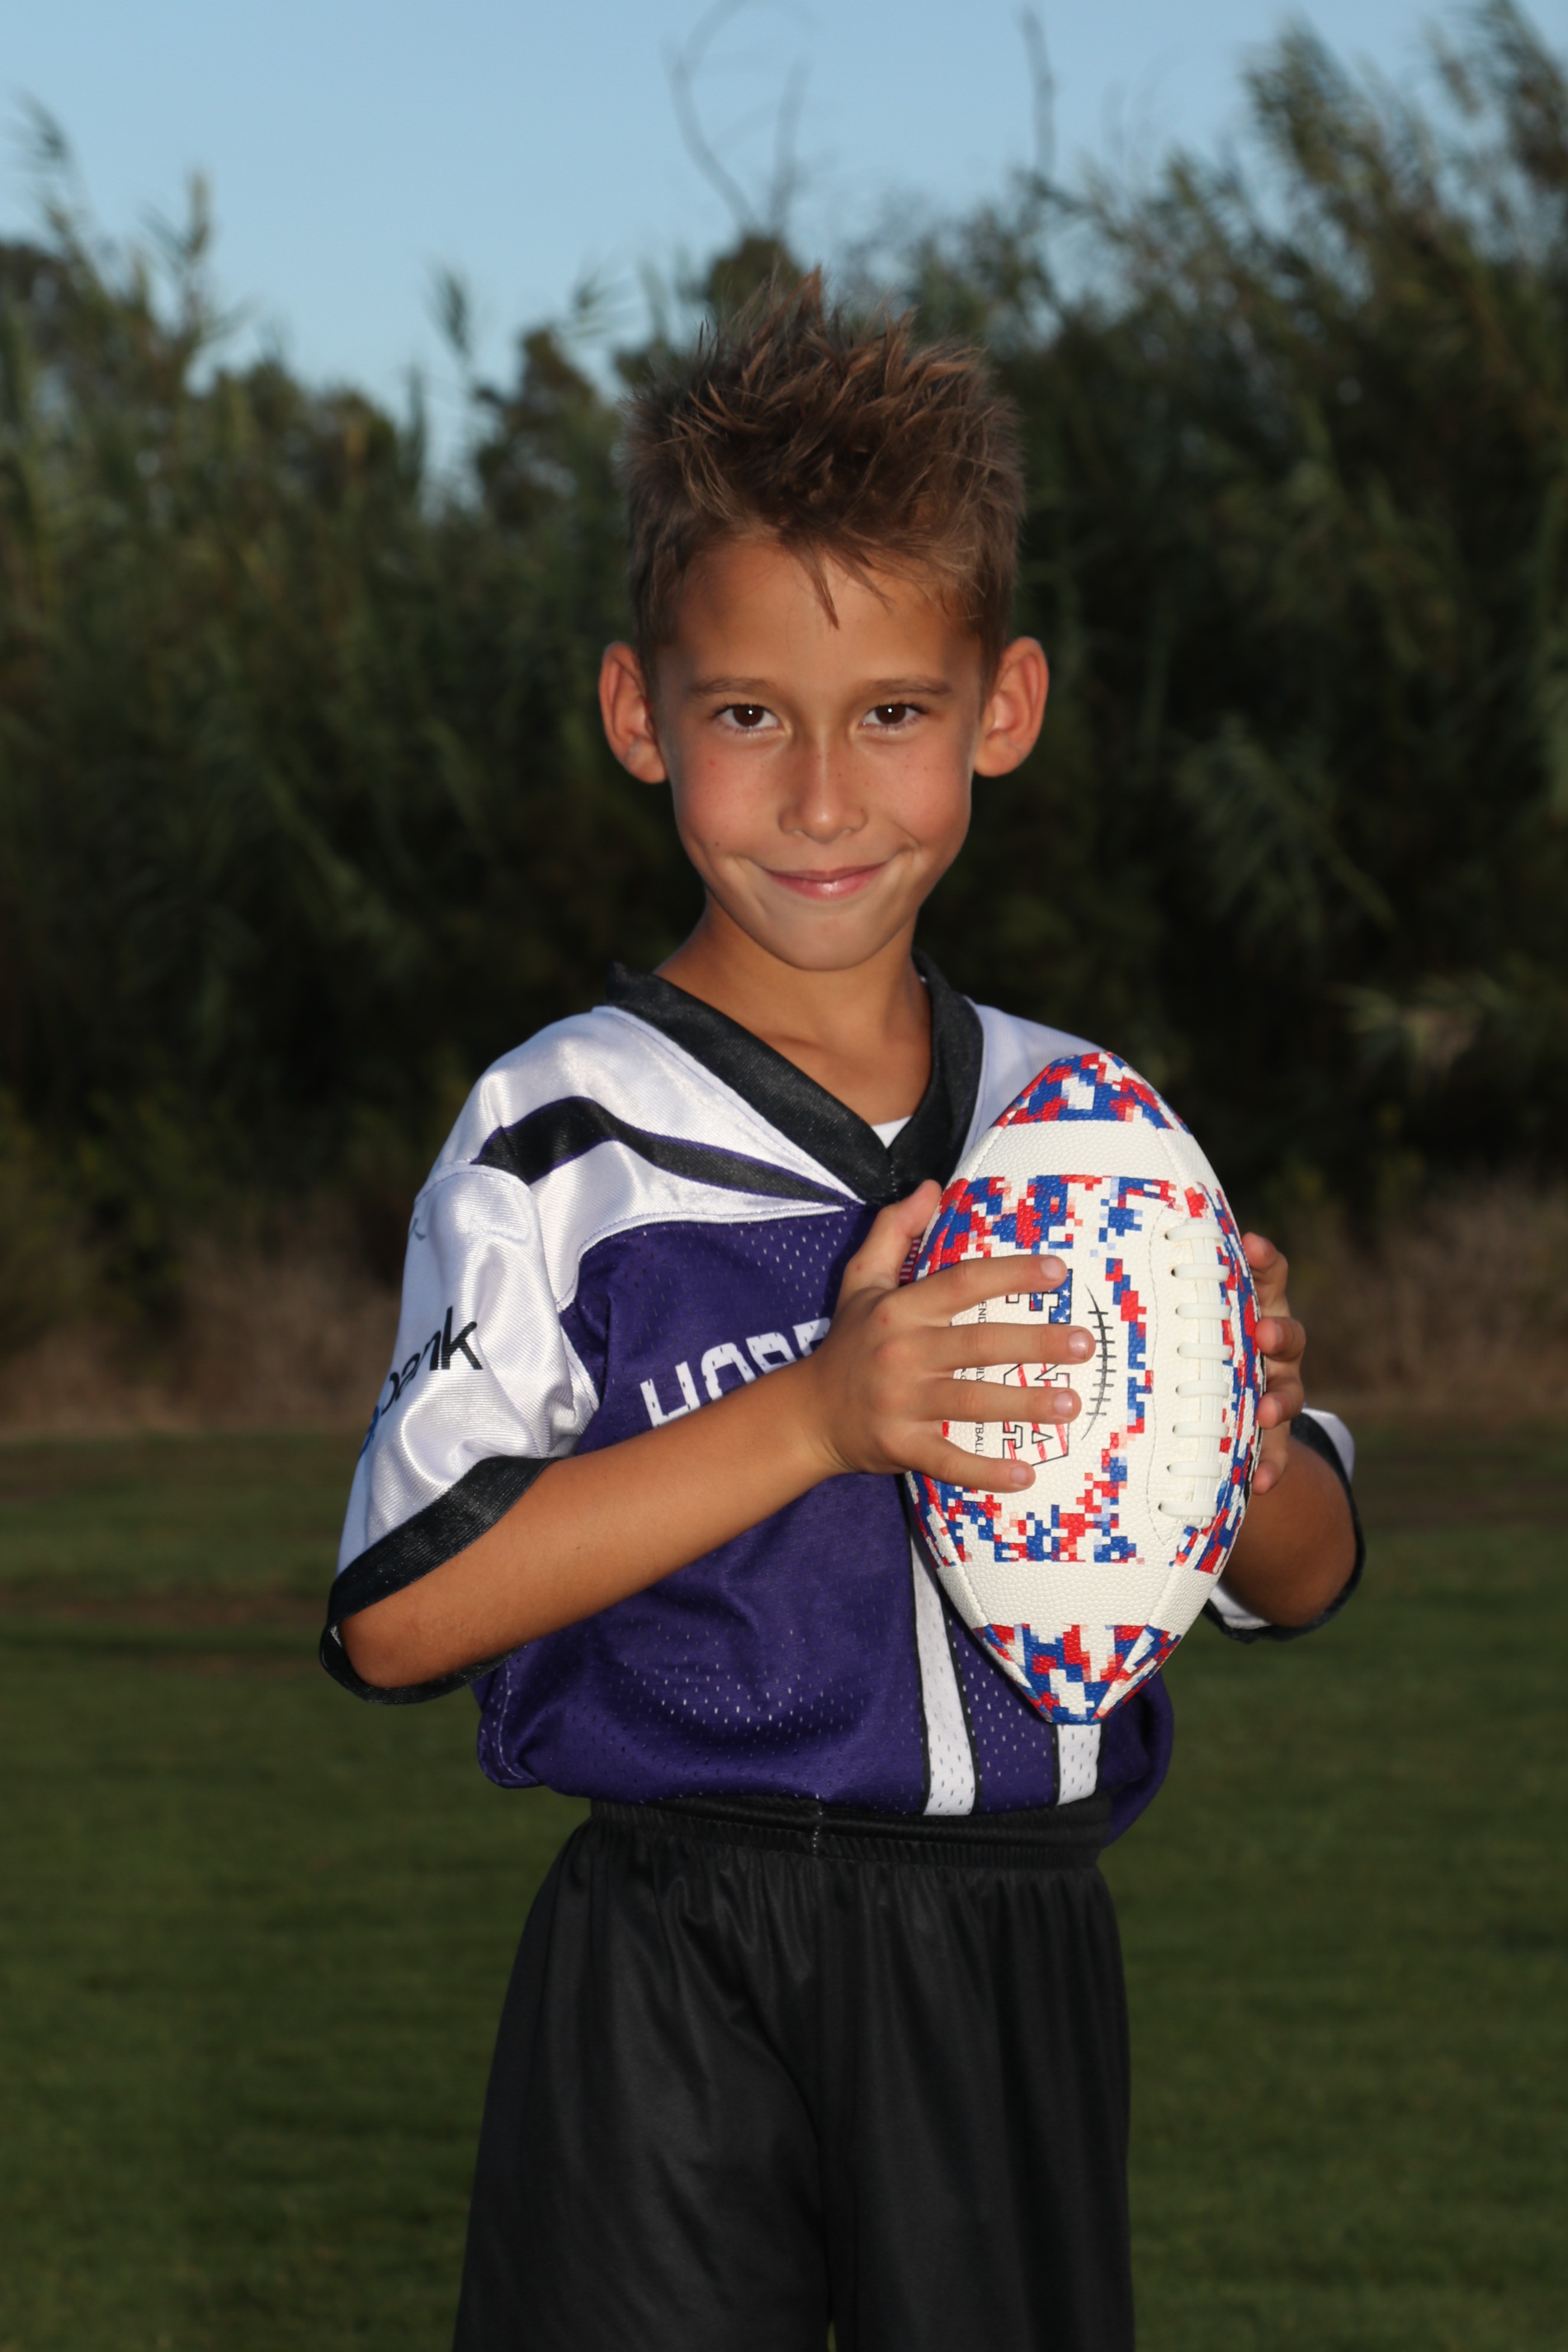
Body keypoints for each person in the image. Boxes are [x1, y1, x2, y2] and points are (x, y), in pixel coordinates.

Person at [322, 277, 1363, 2352]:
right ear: (639, 714)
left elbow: (1305, 1571)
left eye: (892, 713)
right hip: (673, 1965)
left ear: (1004, 707)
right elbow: (399, 1614)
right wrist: (817, 1415)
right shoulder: (562, 1131)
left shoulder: (1096, 1133)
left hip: (1012, 1965)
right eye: (747, 717)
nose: (821, 796)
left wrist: (1231, 1432)